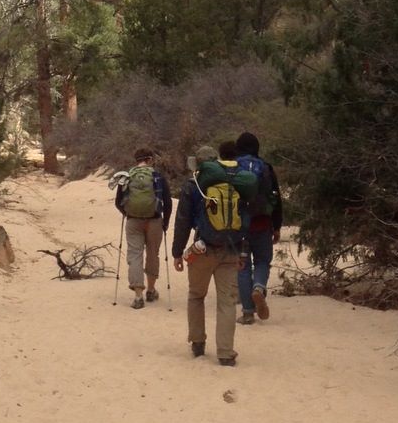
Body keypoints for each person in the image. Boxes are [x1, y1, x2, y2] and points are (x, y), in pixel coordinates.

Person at [171, 141, 248, 366]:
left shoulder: (192, 185)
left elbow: (183, 221)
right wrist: (243, 252)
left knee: (196, 296)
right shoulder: (234, 183)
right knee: (226, 302)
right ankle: (225, 352)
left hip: (202, 249)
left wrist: (177, 253)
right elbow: (243, 221)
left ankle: (197, 343)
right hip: (231, 249)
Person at [234, 130, 283, 325]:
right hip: (263, 222)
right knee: (263, 260)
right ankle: (259, 287)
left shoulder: (234, 167)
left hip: (240, 225)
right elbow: (276, 198)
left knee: (242, 266)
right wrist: (277, 225)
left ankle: (247, 313)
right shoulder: (266, 167)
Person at [115, 148, 172, 308]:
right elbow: (167, 202)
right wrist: (165, 222)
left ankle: (138, 295)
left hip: (133, 221)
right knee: (153, 254)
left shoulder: (127, 176)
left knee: (134, 255)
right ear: (150, 159)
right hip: (154, 221)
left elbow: (118, 201)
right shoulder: (158, 176)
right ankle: (151, 290)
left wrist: (127, 213)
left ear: (136, 160)